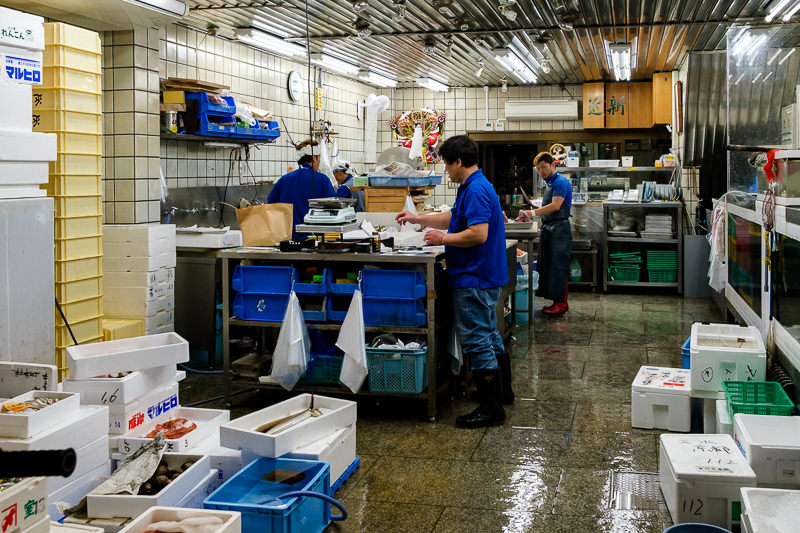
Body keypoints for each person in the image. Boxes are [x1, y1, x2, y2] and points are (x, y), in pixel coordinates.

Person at [396, 135, 514, 428]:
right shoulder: (473, 186)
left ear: (458, 162)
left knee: (477, 339)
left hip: (474, 276)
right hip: (482, 274)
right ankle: (502, 393)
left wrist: (444, 239)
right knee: (489, 335)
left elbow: (478, 233)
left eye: (447, 165)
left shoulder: (475, 191)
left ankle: (491, 408)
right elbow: (453, 217)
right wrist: (417, 219)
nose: (446, 171)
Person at [517, 151, 573, 316]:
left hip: (560, 230)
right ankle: (559, 301)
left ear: (553, 165)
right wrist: (528, 214)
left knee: (558, 267)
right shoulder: (550, 183)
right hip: (550, 228)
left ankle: (561, 304)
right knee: (550, 267)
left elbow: (555, 206)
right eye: (538, 169)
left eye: (544, 167)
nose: (541, 171)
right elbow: (547, 206)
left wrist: (532, 213)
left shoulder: (560, 182)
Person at [267, 139, 335, 238]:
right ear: (314, 158)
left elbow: (271, 206)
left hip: (286, 239)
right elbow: (333, 210)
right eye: (319, 158)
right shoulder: (322, 180)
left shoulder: (284, 179)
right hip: (313, 239)